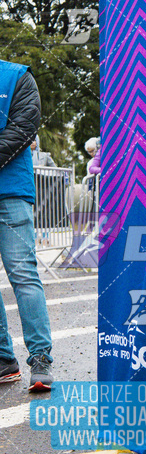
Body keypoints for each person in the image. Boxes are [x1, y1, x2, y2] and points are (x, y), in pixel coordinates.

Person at [0, 59, 54, 391]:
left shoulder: (18, 76)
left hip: (11, 191)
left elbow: (23, 129)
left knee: (22, 273)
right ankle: (4, 360)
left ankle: (40, 358)